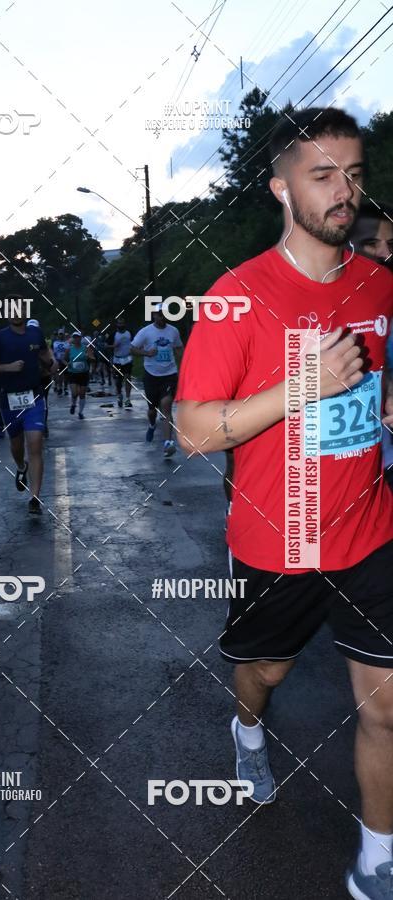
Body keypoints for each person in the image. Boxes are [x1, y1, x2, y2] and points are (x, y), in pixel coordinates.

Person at [176, 106, 393, 900]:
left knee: (388, 708)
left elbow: (377, 373)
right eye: (323, 174)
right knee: (265, 670)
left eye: (355, 173)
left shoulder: (380, 282)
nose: (346, 191)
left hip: (371, 530)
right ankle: (248, 726)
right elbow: (195, 432)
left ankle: (377, 859)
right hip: (280, 538)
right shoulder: (237, 296)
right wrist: (305, 385)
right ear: (280, 187)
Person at [0, 307, 57, 515]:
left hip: (34, 396)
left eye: (20, 309)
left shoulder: (35, 333)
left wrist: (51, 362)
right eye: (11, 310)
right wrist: (8, 368)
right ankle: (21, 467)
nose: (16, 313)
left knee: (35, 444)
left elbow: (44, 353)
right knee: (17, 445)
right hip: (9, 399)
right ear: (6, 314)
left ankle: (35, 498)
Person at [350, 202, 393, 485]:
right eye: (370, 243)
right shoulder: (316, 310)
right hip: (345, 473)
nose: (385, 254)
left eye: (391, 243)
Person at [131, 309, 183, 457]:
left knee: (166, 406)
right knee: (152, 410)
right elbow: (132, 348)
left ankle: (168, 443)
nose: (162, 317)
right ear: (154, 315)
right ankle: (152, 425)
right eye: (159, 314)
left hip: (169, 374)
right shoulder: (145, 332)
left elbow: (179, 347)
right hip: (151, 375)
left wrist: (185, 361)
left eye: (165, 314)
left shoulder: (173, 331)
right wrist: (147, 353)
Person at [64, 331, 95, 419]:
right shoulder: (69, 349)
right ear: (73, 338)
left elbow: (93, 358)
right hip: (73, 373)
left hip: (84, 374)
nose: (76, 339)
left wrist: (89, 357)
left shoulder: (86, 348)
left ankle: (80, 412)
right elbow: (63, 359)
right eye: (74, 337)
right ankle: (73, 404)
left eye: (78, 337)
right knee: (74, 393)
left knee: (82, 394)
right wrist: (67, 364)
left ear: (81, 338)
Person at [107, 318, 133, 408]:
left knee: (128, 377)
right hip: (117, 359)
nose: (121, 325)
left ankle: (128, 399)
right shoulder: (113, 334)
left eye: (122, 323)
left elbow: (135, 343)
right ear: (117, 324)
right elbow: (106, 345)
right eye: (119, 323)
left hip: (128, 358)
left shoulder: (129, 333)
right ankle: (119, 396)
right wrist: (113, 346)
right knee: (118, 380)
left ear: (125, 324)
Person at [52, 329, 69, 395]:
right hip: (58, 361)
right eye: (60, 334)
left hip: (65, 361)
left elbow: (68, 352)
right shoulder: (54, 342)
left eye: (62, 334)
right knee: (59, 375)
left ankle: (65, 387)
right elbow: (52, 351)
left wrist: (66, 360)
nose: (61, 335)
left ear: (64, 334)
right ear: (58, 335)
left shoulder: (67, 343)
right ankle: (60, 388)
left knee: (66, 376)